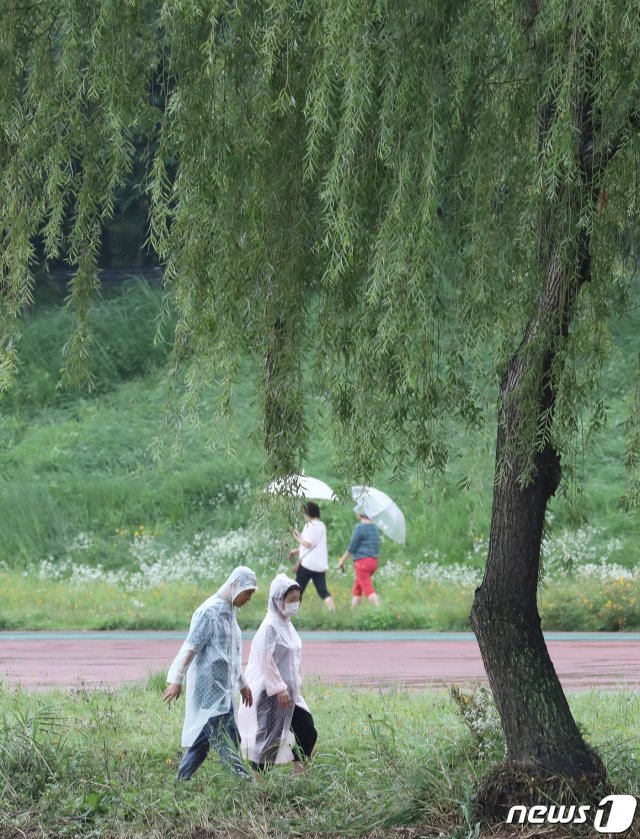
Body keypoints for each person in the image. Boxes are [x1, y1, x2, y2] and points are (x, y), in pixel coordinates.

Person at [162, 566, 257, 780]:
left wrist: (242, 683)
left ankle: (179, 781)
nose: (248, 599)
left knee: (202, 743)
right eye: (248, 593)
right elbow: (190, 647)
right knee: (228, 740)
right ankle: (243, 783)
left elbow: (230, 654)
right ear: (235, 585)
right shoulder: (209, 612)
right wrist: (177, 680)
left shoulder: (229, 613)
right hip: (209, 692)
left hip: (223, 691)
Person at [238, 574, 317, 776]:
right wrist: (279, 687)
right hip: (272, 693)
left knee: (307, 731)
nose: (295, 604)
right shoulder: (270, 626)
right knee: (269, 739)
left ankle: (297, 777)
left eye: (297, 600)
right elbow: (265, 659)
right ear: (278, 599)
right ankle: (259, 785)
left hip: (290, 694)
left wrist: (294, 684)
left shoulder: (286, 624)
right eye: (291, 600)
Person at [289, 501, 335, 611]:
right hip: (320, 565)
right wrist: (297, 550)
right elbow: (313, 545)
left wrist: (296, 537)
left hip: (307, 565)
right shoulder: (322, 526)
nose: (304, 517)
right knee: (323, 591)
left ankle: (290, 612)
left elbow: (308, 544)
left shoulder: (310, 525)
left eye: (304, 514)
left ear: (307, 513)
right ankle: (333, 611)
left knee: (298, 590)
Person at [337, 511, 381, 607]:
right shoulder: (374, 527)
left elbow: (352, 547)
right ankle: (353, 612)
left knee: (368, 589)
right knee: (358, 587)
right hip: (373, 561)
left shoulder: (360, 527)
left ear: (360, 514)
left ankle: (380, 611)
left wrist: (342, 561)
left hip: (362, 562)